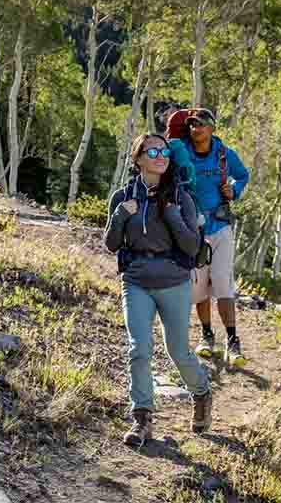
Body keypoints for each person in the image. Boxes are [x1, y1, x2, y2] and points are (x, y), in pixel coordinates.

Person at [104, 133, 211, 447]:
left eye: (164, 151)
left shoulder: (181, 198)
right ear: (138, 159)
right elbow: (111, 245)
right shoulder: (122, 196)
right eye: (152, 151)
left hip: (174, 283)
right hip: (135, 282)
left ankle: (202, 393)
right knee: (138, 349)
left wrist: (173, 217)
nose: (160, 155)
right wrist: (121, 215)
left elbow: (192, 247)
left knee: (178, 351)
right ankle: (142, 419)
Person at [168, 108, 251, 366]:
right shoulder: (182, 151)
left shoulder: (224, 154)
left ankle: (233, 341)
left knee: (223, 282)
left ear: (212, 128)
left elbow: (243, 175)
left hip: (221, 227)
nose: (196, 129)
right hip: (194, 229)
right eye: (192, 125)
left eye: (201, 125)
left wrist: (233, 191)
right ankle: (206, 336)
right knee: (200, 286)